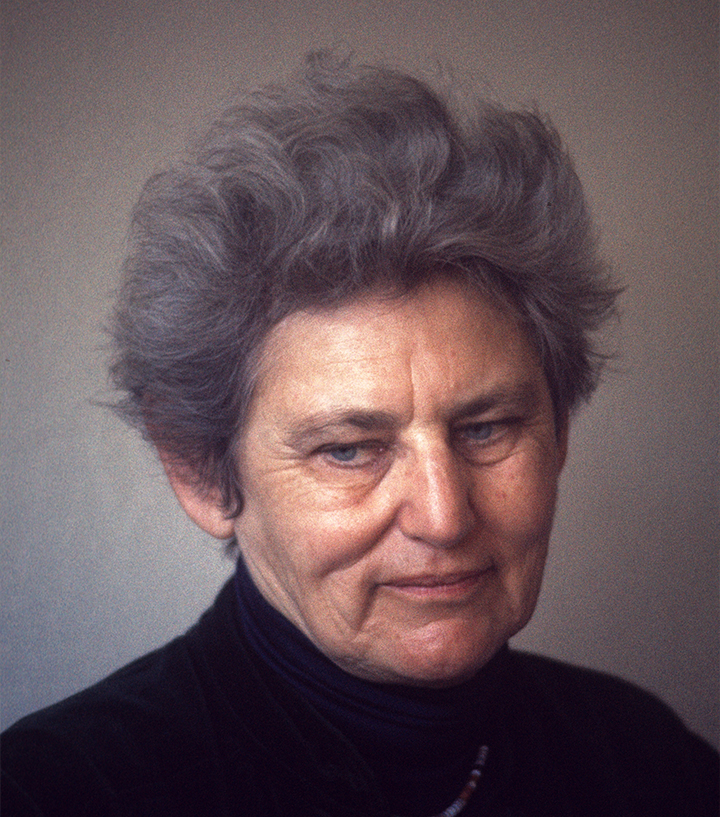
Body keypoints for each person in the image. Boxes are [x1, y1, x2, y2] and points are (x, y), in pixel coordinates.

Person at [2, 52, 717, 817]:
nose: (443, 516)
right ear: (202, 471)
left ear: (560, 430)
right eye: (348, 449)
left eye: (486, 428)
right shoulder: (57, 793)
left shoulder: (649, 761)